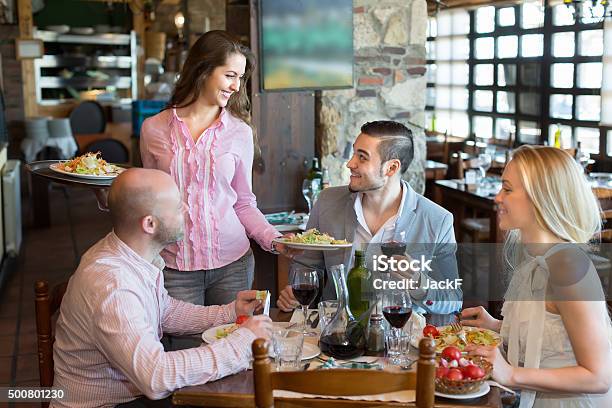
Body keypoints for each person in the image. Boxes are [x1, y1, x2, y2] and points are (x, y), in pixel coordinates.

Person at [51, 168, 273, 408]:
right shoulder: (113, 284)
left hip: (135, 396)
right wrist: (242, 343)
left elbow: (165, 311)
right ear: (149, 223)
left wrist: (230, 312)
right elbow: (156, 377)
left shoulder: (133, 253)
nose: (187, 209)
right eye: (178, 205)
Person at [139, 31, 290, 347]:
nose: (236, 86)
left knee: (236, 351)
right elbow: (149, 200)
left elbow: (244, 202)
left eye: (241, 77)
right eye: (230, 75)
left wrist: (274, 240)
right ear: (203, 69)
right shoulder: (153, 129)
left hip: (233, 266)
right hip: (175, 268)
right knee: (187, 357)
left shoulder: (240, 133)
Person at [462, 146, 612, 407]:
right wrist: (497, 326)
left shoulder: (568, 265)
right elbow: (553, 332)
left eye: (507, 189)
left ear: (540, 197)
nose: (498, 198)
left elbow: (599, 377)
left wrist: (509, 373)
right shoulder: (537, 258)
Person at [277, 120, 461, 315]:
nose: (350, 163)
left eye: (362, 157)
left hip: (399, 334)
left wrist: (418, 282)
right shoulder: (327, 202)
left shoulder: (438, 220)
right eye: (354, 153)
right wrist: (295, 293)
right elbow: (306, 266)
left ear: (391, 168)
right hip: (337, 332)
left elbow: (453, 300)